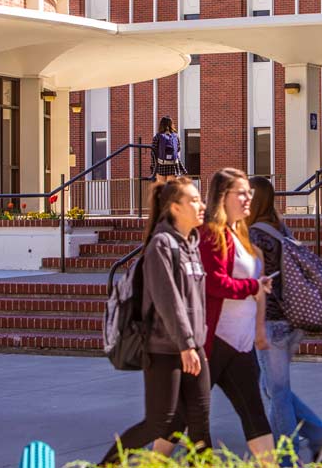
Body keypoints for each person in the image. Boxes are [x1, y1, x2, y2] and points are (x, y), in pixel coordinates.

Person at [158, 168, 275, 459]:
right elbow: (213, 281)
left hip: (240, 345)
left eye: (250, 192)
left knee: (255, 417)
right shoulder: (212, 234)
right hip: (212, 343)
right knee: (180, 420)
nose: (249, 198)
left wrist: (258, 320)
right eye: (241, 192)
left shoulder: (240, 234)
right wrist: (253, 286)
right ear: (223, 197)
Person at [101, 177, 210, 464]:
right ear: (175, 208)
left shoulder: (191, 244)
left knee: (199, 422)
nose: (202, 205)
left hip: (193, 347)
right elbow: (168, 301)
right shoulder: (161, 245)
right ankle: (106, 464)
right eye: (194, 201)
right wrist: (186, 344)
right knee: (159, 423)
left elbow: (195, 301)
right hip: (165, 350)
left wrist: (196, 342)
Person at [247, 176, 322, 464]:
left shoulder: (254, 235)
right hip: (292, 319)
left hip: (270, 322)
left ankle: (287, 457)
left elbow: (255, 283)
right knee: (275, 388)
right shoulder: (280, 228)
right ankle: (319, 435)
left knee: (277, 393)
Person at [151, 116, 187, 183]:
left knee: (161, 188)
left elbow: (153, 152)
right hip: (173, 165)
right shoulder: (176, 136)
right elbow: (178, 149)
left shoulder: (157, 136)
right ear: (171, 124)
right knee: (171, 189)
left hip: (161, 165)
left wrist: (153, 166)